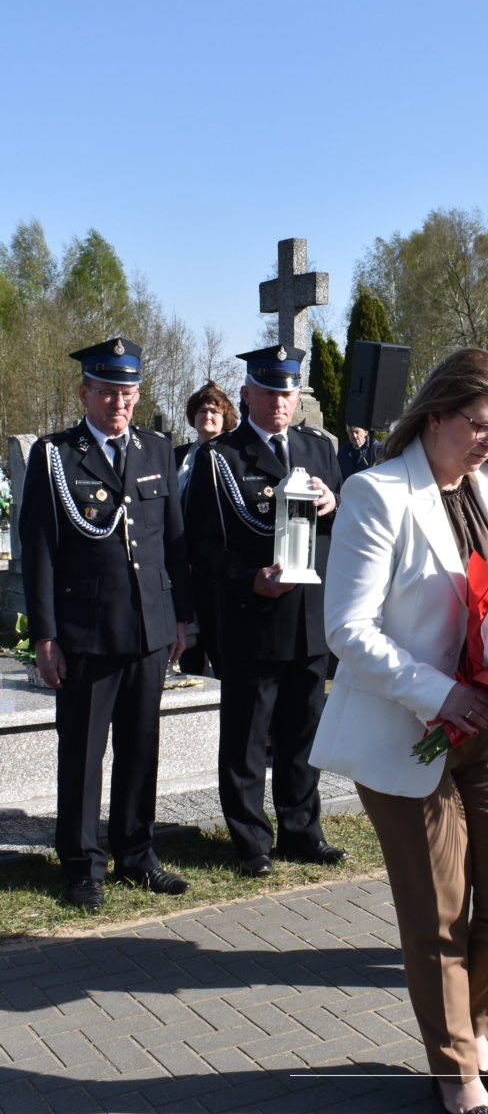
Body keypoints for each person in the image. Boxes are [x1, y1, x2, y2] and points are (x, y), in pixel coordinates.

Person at [311, 348, 488, 1114]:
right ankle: (455, 1068)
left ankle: (468, 1027)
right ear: (436, 415)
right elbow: (347, 628)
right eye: (479, 425)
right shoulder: (376, 493)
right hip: (408, 730)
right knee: (439, 908)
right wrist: (441, 692)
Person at [19, 338, 192, 911]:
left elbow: (173, 542)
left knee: (142, 749)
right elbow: (39, 550)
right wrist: (45, 635)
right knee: (84, 753)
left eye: (129, 393)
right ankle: (81, 865)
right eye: (109, 392)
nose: (120, 403)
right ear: (85, 393)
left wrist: (181, 618)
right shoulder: (55, 456)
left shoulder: (156, 449)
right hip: (87, 631)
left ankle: (137, 854)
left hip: (149, 628)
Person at [183, 345, 347, 877]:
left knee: (304, 733)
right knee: (248, 736)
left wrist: (335, 503)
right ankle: (251, 840)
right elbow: (202, 545)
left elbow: (343, 523)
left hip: (309, 618)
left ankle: (302, 830)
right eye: (269, 392)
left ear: (298, 396)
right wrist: (250, 579)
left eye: (288, 392)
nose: (280, 402)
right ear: (247, 394)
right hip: (251, 617)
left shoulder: (318, 448)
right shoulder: (221, 458)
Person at [175, 381, 238, 677]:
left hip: (216, 568)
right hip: (182, 566)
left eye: (214, 410)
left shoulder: (232, 455)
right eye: (201, 410)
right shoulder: (178, 456)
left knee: (220, 647)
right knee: (189, 651)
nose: (207, 415)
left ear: (226, 417)